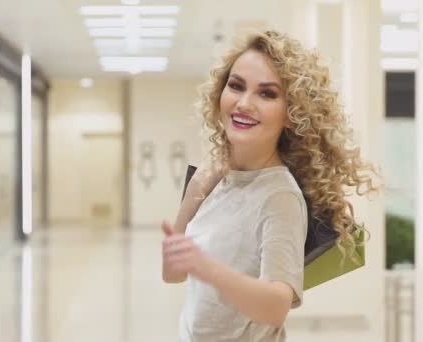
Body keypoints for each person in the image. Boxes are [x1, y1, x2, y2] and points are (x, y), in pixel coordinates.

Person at [161, 30, 378, 342]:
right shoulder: (216, 179)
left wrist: (207, 268)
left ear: (292, 114)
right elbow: (173, 274)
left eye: (267, 94)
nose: (244, 103)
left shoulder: (279, 196)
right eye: (236, 86)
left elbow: (277, 305)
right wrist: (193, 194)